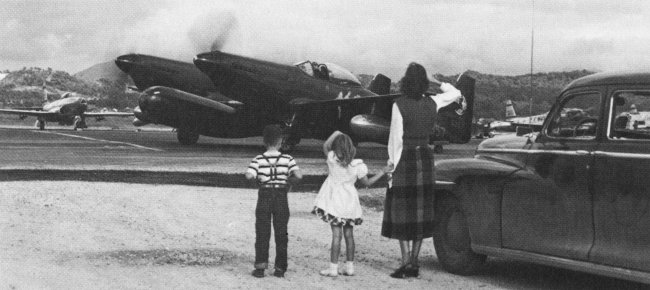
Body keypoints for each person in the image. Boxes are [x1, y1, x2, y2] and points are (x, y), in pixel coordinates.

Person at [382, 62, 463, 278]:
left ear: (406, 82)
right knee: (420, 210)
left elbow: (395, 140)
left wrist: (391, 168)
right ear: (424, 82)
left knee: (402, 211)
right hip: (425, 158)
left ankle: (405, 260)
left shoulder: (398, 104)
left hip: (405, 158)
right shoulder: (433, 102)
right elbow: (456, 93)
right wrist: (439, 82)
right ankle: (415, 262)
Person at [312, 131, 392, 277]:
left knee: (336, 235)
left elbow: (326, 145)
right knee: (349, 234)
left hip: (334, 201)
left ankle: (333, 268)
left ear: (336, 148)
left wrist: (337, 132)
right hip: (350, 202)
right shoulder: (358, 166)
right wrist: (382, 171)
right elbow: (367, 183)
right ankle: (349, 267)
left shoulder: (332, 158)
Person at [245, 124, 303, 278]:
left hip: (264, 194)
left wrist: (258, 181)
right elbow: (299, 176)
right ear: (280, 141)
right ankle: (280, 268)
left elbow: (249, 176)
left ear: (264, 141)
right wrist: (287, 182)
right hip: (281, 196)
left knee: (262, 232)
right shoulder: (288, 158)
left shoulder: (258, 159)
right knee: (281, 232)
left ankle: (260, 267)